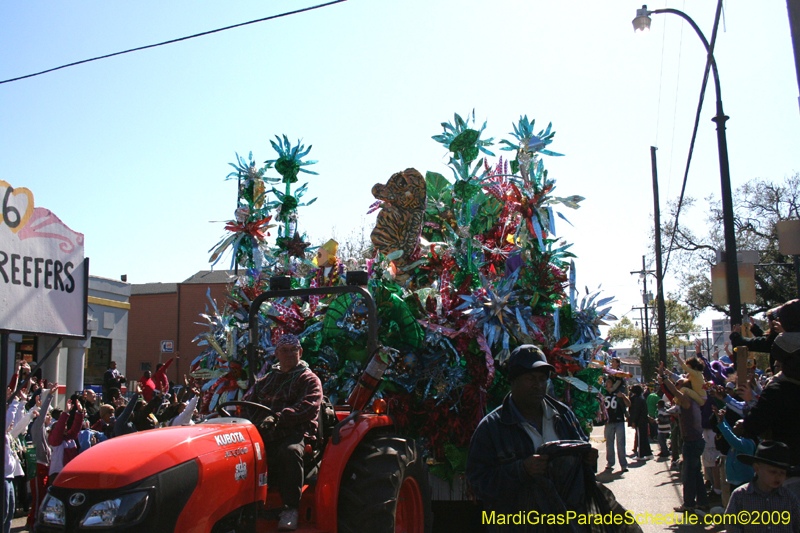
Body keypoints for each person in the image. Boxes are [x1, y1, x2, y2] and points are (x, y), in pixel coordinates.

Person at [466, 345, 597, 532]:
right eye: (530, 378)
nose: (538, 385)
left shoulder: (564, 416)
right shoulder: (492, 427)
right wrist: (521, 470)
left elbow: (582, 469)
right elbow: (477, 483)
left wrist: (590, 461)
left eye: (543, 379)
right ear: (513, 380)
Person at [249, 334, 322, 531]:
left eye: (293, 350)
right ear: (276, 354)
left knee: (289, 452)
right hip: (264, 432)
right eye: (284, 350)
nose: (289, 354)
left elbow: (308, 408)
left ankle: (291, 508)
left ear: (301, 352)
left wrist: (279, 417)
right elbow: (249, 402)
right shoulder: (265, 380)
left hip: (295, 432)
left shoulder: (309, 379)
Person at [659, 371, 710, 513]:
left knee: (688, 475)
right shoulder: (687, 402)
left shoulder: (687, 400)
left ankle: (688, 504)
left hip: (692, 442)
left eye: (679, 384)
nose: (677, 386)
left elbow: (673, 391)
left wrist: (664, 379)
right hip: (694, 441)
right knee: (696, 473)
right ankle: (702, 502)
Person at [724, 441, 800, 533]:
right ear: (757, 468)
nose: (778, 476)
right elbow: (732, 526)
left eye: (782, 473)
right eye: (773, 472)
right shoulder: (740, 495)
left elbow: (797, 525)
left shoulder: (789, 498)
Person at [602, 375, 630, 473]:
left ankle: (623, 464)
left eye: (609, 382)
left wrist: (623, 396)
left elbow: (628, 404)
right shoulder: (603, 393)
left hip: (619, 421)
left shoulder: (618, 392)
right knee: (609, 444)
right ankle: (610, 463)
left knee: (620, 444)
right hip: (608, 422)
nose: (607, 384)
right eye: (606, 382)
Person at [628, 384, 652, 460]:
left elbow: (636, 411)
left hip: (640, 421)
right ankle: (648, 453)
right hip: (643, 420)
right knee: (644, 438)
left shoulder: (638, 399)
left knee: (641, 438)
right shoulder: (641, 397)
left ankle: (640, 455)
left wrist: (634, 421)